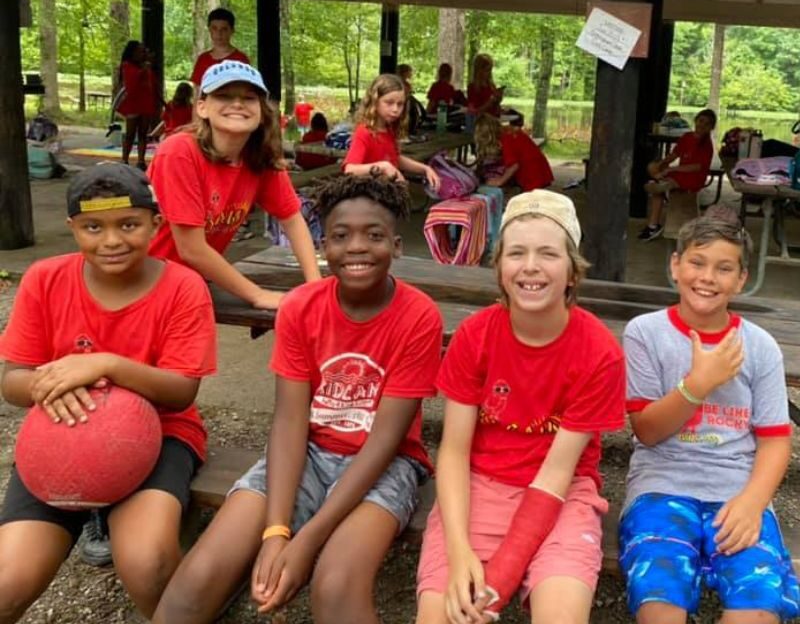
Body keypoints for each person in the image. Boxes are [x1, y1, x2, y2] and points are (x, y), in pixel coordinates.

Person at [152, 173, 444, 624]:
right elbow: (289, 422)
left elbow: (386, 440)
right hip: (305, 450)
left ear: (397, 246)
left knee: (335, 584)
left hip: (385, 462)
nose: (358, 247)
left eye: (375, 235)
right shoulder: (302, 307)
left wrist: (306, 542)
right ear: (324, 245)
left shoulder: (418, 316)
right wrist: (276, 531)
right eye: (341, 236)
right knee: (197, 580)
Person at [0, 163, 217, 622]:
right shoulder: (44, 278)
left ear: (156, 225)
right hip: (60, 442)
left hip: (162, 435)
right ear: (72, 228)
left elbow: (180, 391)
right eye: (93, 227)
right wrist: (48, 385)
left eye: (129, 225)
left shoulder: (183, 287)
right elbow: (13, 381)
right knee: (8, 581)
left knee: (146, 565)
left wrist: (105, 364)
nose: (112, 241)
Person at [416, 190, 626, 624]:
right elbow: (453, 452)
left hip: (563, 495)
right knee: (439, 614)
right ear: (500, 269)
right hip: (477, 487)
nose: (530, 266)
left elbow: (556, 474)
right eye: (517, 253)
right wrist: (460, 555)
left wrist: (499, 583)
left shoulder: (599, 352)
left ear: (572, 272)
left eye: (548, 253)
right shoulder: (475, 336)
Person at [620, 207, 799, 623]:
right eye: (697, 263)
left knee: (758, 607)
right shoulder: (646, 333)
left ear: (740, 280)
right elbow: (646, 430)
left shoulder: (760, 346)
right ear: (675, 265)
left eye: (723, 268)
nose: (707, 277)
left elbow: (775, 438)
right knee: (660, 602)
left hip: (736, 490)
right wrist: (697, 384)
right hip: (661, 487)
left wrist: (754, 502)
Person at [148, 60, 321, 309]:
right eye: (224, 96)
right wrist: (257, 295)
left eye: (249, 98)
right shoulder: (178, 152)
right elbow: (191, 249)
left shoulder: (260, 156)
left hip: (192, 285)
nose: (237, 103)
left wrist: (314, 286)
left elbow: (292, 218)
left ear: (262, 111)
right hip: (145, 285)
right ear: (202, 108)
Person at [343, 73, 440, 191]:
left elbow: (395, 158)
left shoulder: (389, 129)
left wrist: (425, 169)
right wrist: (383, 167)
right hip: (369, 196)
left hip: (389, 193)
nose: (395, 109)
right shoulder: (364, 132)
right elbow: (350, 169)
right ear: (375, 101)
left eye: (400, 104)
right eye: (389, 103)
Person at [639, 108, 717, 242]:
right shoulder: (687, 137)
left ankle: (653, 223)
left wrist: (671, 170)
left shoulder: (706, 145)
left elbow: (697, 167)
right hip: (680, 174)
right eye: (700, 121)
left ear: (711, 127)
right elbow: (674, 154)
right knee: (653, 168)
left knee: (658, 187)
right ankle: (653, 224)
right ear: (696, 121)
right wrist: (662, 164)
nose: (702, 125)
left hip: (693, 178)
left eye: (707, 124)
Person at [474, 113, 554, 192]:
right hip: (539, 168)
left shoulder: (506, 139)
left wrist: (500, 181)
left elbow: (513, 165)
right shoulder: (508, 131)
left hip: (532, 174)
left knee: (529, 201)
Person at [116, 40, 160, 170]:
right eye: (140, 51)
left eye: (143, 51)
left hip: (145, 103)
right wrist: (142, 71)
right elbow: (131, 85)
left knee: (143, 133)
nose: (142, 54)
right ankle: (124, 159)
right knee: (130, 133)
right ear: (133, 53)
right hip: (133, 103)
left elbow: (152, 84)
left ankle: (141, 160)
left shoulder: (146, 66)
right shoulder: (127, 65)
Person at [190, 8, 250, 90]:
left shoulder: (241, 59)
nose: (219, 33)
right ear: (209, 30)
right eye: (214, 28)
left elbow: (246, 89)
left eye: (224, 29)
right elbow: (197, 91)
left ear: (232, 30)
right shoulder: (203, 59)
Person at [467, 53, 503, 118]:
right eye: (487, 70)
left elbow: (495, 109)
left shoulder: (491, 86)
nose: (489, 73)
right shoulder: (473, 87)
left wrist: (498, 100)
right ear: (479, 70)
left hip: (493, 120)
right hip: (482, 123)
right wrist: (490, 102)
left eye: (490, 70)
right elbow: (474, 112)